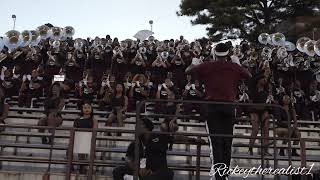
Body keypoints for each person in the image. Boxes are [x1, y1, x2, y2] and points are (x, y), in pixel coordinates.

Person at [186, 43, 252, 180]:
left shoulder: (207, 65)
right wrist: (237, 63)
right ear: (227, 54)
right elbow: (249, 75)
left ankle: (219, 176)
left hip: (212, 106)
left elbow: (188, 71)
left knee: (215, 143)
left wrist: (194, 63)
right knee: (227, 142)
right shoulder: (233, 66)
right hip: (228, 107)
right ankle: (224, 175)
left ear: (214, 53)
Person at [73, 102, 98, 174]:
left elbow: (94, 132)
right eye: (85, 108)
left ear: (91, 109)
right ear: (82, 109)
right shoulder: (77, 120)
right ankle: (81, 167)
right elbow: (74, 131)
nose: (87, 109)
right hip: (79, 140)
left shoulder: (94, 120)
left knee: (87, 147)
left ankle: (89, 168)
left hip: (89, 140)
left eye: (88, 108)